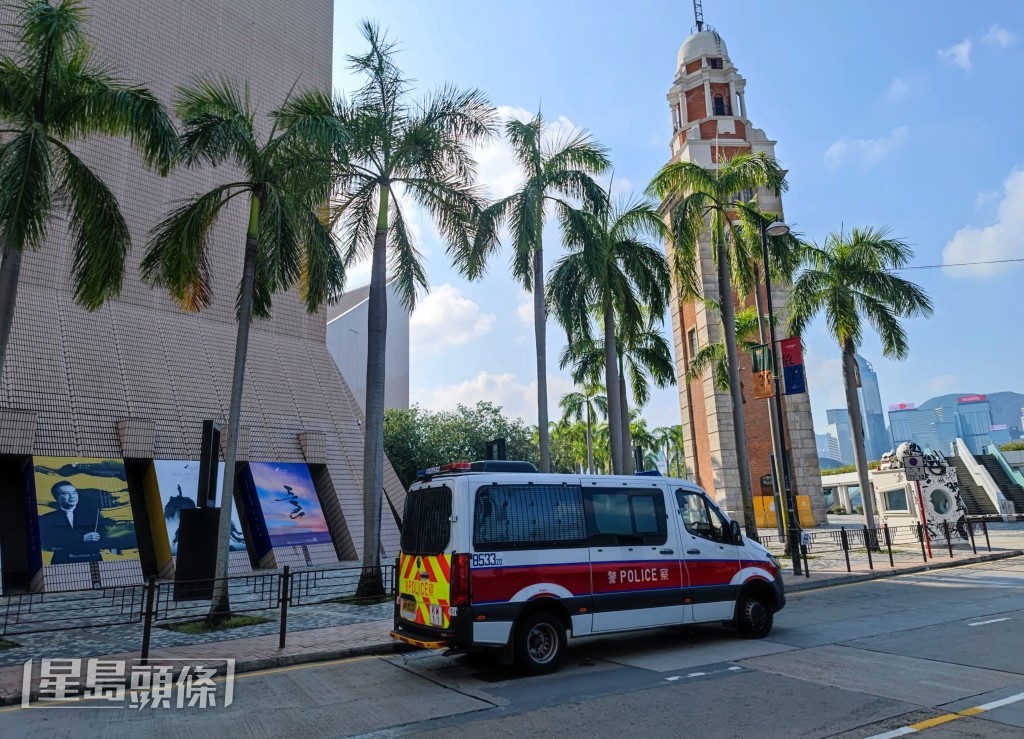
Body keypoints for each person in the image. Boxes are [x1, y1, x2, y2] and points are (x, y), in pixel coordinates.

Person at [37, 481, 110, 564]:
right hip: (62, 562)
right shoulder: (47, 518)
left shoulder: (93, 515)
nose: (72, 496)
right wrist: (82, 538)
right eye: (66, 494)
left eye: (74, 493)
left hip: (91, 560)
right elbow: (52, 542)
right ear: (57, 497)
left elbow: (104, 536)